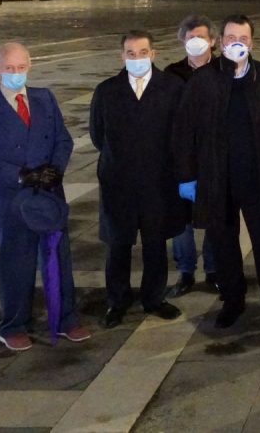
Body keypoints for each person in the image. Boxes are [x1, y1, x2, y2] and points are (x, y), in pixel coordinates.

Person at [172, 14, 260, 331]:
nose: (237, 43)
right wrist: (187, 175)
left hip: (259, 175)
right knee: (223, 241)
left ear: (252, 43)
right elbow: (184, 132)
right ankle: (232, 302)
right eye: (231, 37)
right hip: (217, 176)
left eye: (243, 38)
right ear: (220, 42)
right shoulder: (203, 80)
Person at [0, 42, 89, 351]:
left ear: (30, 66)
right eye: (9, 68)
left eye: (21, 68)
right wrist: (20, 175)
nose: (16, 74)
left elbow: (63, 139)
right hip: (10, 200)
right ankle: (13, 325)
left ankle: (66, 319)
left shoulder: (44, 99)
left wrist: (55, 169)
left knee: (58, 259)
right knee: (14, 263)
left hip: (48, 196)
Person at [90, 30, 186, 328]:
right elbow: (97, 135)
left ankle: (153, 298)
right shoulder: (106, 90)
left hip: (159, 182)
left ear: (153, 54)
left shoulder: (172, 87)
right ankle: (116, 301)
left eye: (142, 52)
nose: (137, 58)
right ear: (122, 56)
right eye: (130, 53)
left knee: (155, 244)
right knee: (118, 246)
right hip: (119, 182)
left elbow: (180, 133)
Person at [163, 15, 219, 296]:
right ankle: (185, 271)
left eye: (201, 36)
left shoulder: (225, 71)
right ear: (182, 41)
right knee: (181, 217)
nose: (195, 41)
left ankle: (213, 269)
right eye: (190, 37)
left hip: (214, 155)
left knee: (215, 213)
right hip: (180, 156)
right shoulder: (171, 75)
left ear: (213, 41)